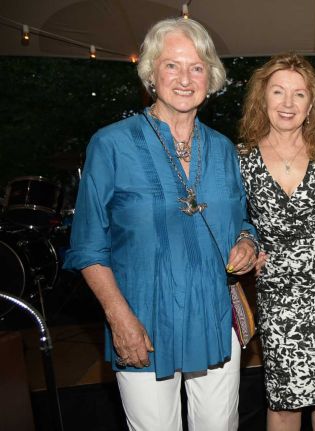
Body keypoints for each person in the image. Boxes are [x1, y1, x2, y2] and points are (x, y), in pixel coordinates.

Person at [63, 17, 262, 430]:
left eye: (196, 67)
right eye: (172, 65)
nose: (185, 79)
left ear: (211, 76)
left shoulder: (224, 149)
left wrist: (247, 242)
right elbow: (88, 246)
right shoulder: (111, 144)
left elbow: (243, 220)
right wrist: (119, 318)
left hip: (214, 317)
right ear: (151, 73)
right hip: (143, 319)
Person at [238, 53, 315, 430]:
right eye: (278, 91)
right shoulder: (241, 160)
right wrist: (248, 244)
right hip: (276, 290)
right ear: (262, 98)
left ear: (311, 104)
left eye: (299, 94)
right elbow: (233, 221)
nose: (288, 103)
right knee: (283, 400)